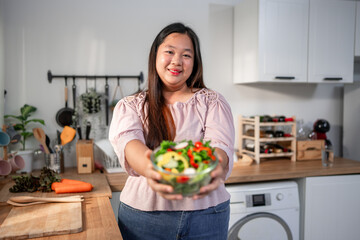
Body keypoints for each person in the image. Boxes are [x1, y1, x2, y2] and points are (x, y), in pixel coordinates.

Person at [109, 22, 235, 240]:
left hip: (207, 216)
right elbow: (130, 145)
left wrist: (213, 166)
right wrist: (154, 170)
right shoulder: (131, 105)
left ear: (195, 63)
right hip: (143, 218)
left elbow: (220, 148)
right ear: (155, 55)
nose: (177, 61)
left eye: (186, 55)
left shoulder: (213, 102)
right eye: (169, 52)